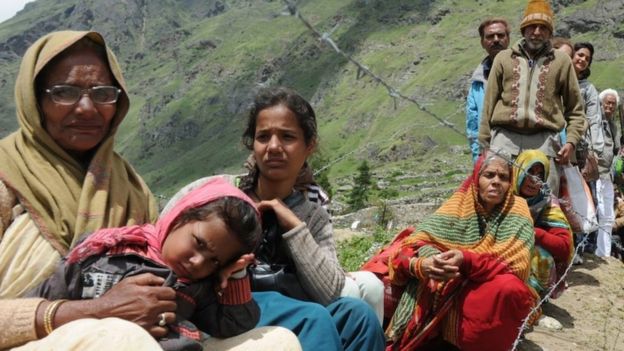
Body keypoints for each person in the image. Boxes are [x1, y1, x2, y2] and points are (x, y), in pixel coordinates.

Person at [0, 31, 301, 351]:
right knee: (120, 337)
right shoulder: (7, 180)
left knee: (276, 342)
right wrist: (93, 311)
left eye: (103, 93)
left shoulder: (129, 189)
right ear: (34, 99)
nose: (87, 108)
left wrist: (223, 274)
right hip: (39, 341)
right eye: (65, 92)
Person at [167, 87, 386, 351]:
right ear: (252, 144)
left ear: (309, 146)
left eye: (287, 137)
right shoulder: (218, 192)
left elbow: (330, 292)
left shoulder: (312, 214)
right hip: (228, 307)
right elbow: (166, 238)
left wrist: (294, 226)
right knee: (312, 318)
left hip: (291, 306)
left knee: (358, 316)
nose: (273, 147)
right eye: (263, 137)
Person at [27, 177, 263, 351]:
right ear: (179, 217)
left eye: (215, 260)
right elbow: (41, 302)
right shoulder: (109, 252)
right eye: (199, 243)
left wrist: (236, 275)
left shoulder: (197, 288)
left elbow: (234, 327)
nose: (197, 262)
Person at [385, 152, 536, 351]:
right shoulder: (459, 204)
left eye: (504, 177)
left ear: (510, 184)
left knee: (509, 288)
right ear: (476, 179)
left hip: (486, 281)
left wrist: (466, 260)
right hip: (449, 277)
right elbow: (416, 242)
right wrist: (430, 260)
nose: (496, 182)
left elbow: (517, 263)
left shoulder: (518, 208)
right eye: (489, 175)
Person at [478, 0, 586, 196]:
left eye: (543, 28)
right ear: (523, 29)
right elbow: (488, 105)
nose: (536, 32)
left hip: (544, 142)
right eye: (532, 26)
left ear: (550, 32)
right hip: (504, 140)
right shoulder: (503, 58)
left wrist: (571, 142)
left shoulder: (562, 62)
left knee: (543, 202)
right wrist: (485, 144)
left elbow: (575, 110)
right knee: (497, 199)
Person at [512, 150, 573, 301]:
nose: (534, 180)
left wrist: (535, 234)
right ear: (518, 171)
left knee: (542, 257)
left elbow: (565, 246)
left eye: (540, 175)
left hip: (527, 252)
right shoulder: (503, 194)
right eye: (530, 172)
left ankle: (530, 300)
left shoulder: (546, 202)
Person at [466, 18, 510, 163]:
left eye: (500, 35)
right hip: (489, 154)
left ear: (508, 39)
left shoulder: (524, 70)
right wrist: (477, 158)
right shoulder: (477, 82)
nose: (496, 40)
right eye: (490, 36)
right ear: (482, 42)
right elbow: (473, 126)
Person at [591, 88, 621, 257]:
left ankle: (604, 252)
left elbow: (616, 149)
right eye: (607, 103)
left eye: (613, 104)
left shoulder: (614, 125)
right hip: (595, 173)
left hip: (608, 175)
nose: (610, 106)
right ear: (600, 104)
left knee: (607, 215)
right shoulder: (594, 121)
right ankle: (590, 249)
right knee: (596, 210)